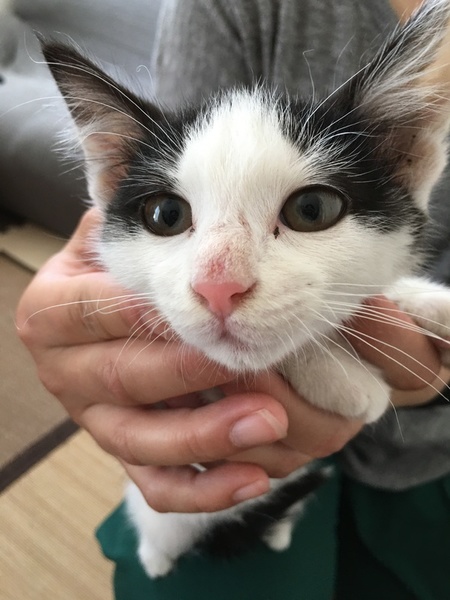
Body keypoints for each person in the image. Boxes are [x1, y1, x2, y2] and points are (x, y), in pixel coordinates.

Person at [16, 0, 450, 598]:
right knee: (168, 542)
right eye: (168, 216)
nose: (217, 284)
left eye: (310, 209)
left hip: (426, 458)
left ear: (408, 160)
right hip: (209, 451)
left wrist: (426, 381)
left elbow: (377, 276)